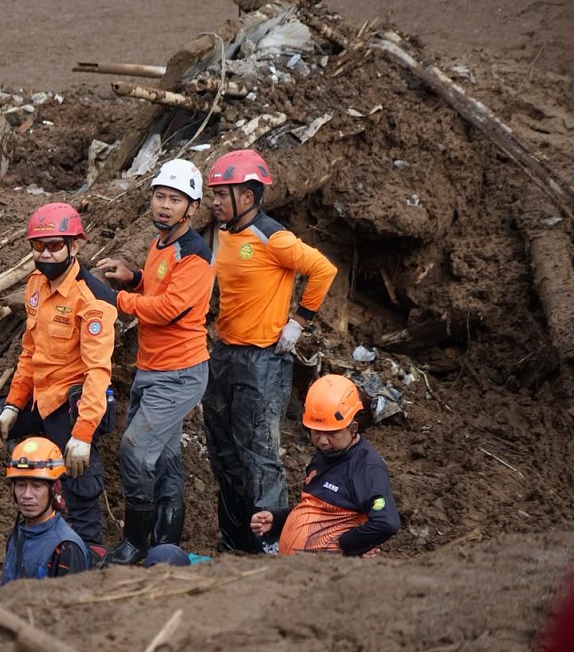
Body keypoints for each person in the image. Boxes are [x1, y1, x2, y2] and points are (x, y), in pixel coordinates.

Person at [0, 202, 118, 564]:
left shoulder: (94, 300)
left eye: (54, 245)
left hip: (72, 403)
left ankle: (90, 549)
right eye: (38, 246)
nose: (46, 254)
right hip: (37, 397)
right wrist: (11, 405)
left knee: (77, 473)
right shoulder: (36, 285)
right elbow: (29, 350)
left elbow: (98, 371)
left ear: (75, 246)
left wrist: (83, 434)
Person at [202, 149, 338, 554]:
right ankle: (234, 539)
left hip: (262, 360)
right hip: (225, 353)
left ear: (247, 196)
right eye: (213, 194)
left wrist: (299, 321)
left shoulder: (273, 236)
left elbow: (323, 269)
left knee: (258, 453)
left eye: (221, 194)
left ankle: (271, 543)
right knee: (222, 449)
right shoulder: (225, 233)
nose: (214, 202)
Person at [96, 159, 215, 565]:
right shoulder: (161, 242)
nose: (165, 206)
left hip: (180, 374)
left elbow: (168, 308)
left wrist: (114, 300)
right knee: (163, 455)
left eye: (175, 200)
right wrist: (132, 279)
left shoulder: (196, 255)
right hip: (154, 367)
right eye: (161, 197)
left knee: (134, 448)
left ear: (192, 207)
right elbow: (156, 286)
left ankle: (135, 542)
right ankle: (166, 543)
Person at [249, 375, 400, 556]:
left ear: (352, 428)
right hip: (299, 571)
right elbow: (316, 508)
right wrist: (278, 520)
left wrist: (345, 546)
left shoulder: (366, 467)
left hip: (332, 575)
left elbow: (386, 523)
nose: (322, 441)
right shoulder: (325, 455)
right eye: (316, 432)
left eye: (332, 433)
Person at [1, 437, 88, 585]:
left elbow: (70, 606)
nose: (27, 495)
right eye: (21, 485)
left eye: (37, 486)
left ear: (54, 490)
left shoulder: (65, 548)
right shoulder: (17, 535)